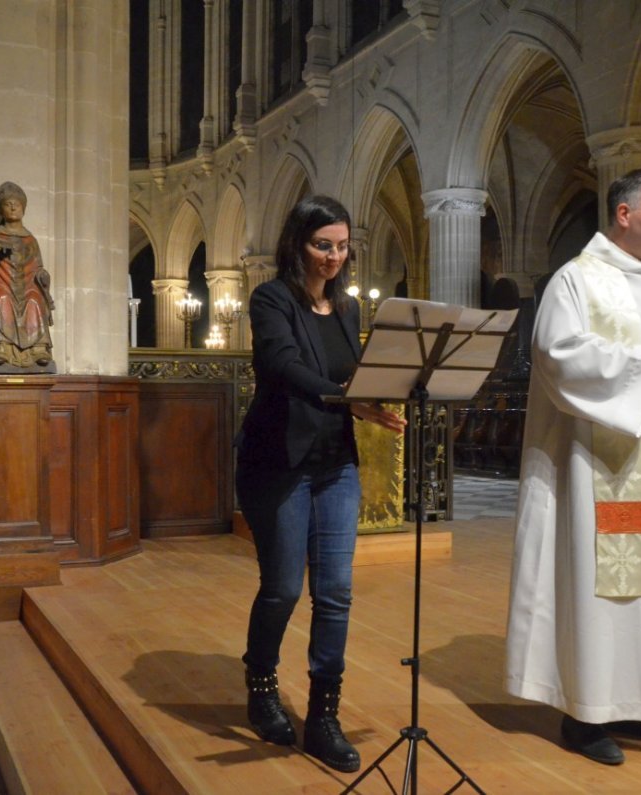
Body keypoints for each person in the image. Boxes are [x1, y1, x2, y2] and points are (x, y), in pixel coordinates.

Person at [504, 169, 641, 766]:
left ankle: (639, 704)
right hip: (601, 463)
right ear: (625, 214)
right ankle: (585, 712)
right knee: (601, 586)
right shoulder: (576, 280)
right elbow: (557, 353)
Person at [235, 195, 406, 774]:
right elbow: (283, 366)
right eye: (321, 245)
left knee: (334, 592)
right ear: (298, 244)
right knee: (282, 588)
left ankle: (323, 715)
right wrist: (346, 396)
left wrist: (376, 393)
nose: (334, 256)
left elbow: (346, 375)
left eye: (341, 245)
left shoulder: (351, 309)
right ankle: (261, 685)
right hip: (277, 461)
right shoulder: (271, 299)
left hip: (336, 464)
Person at [0, 181, 55, 370]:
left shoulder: (31, 239)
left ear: (24, 208)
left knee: (35, 299)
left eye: (17, 204)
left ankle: (38, 347)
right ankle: (1, 347)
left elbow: (38, 267)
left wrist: (43, 276)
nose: (13, 207)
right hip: (1, 280)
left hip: (27, 284)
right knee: (1, 297)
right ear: (1, 210)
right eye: (8, 204)